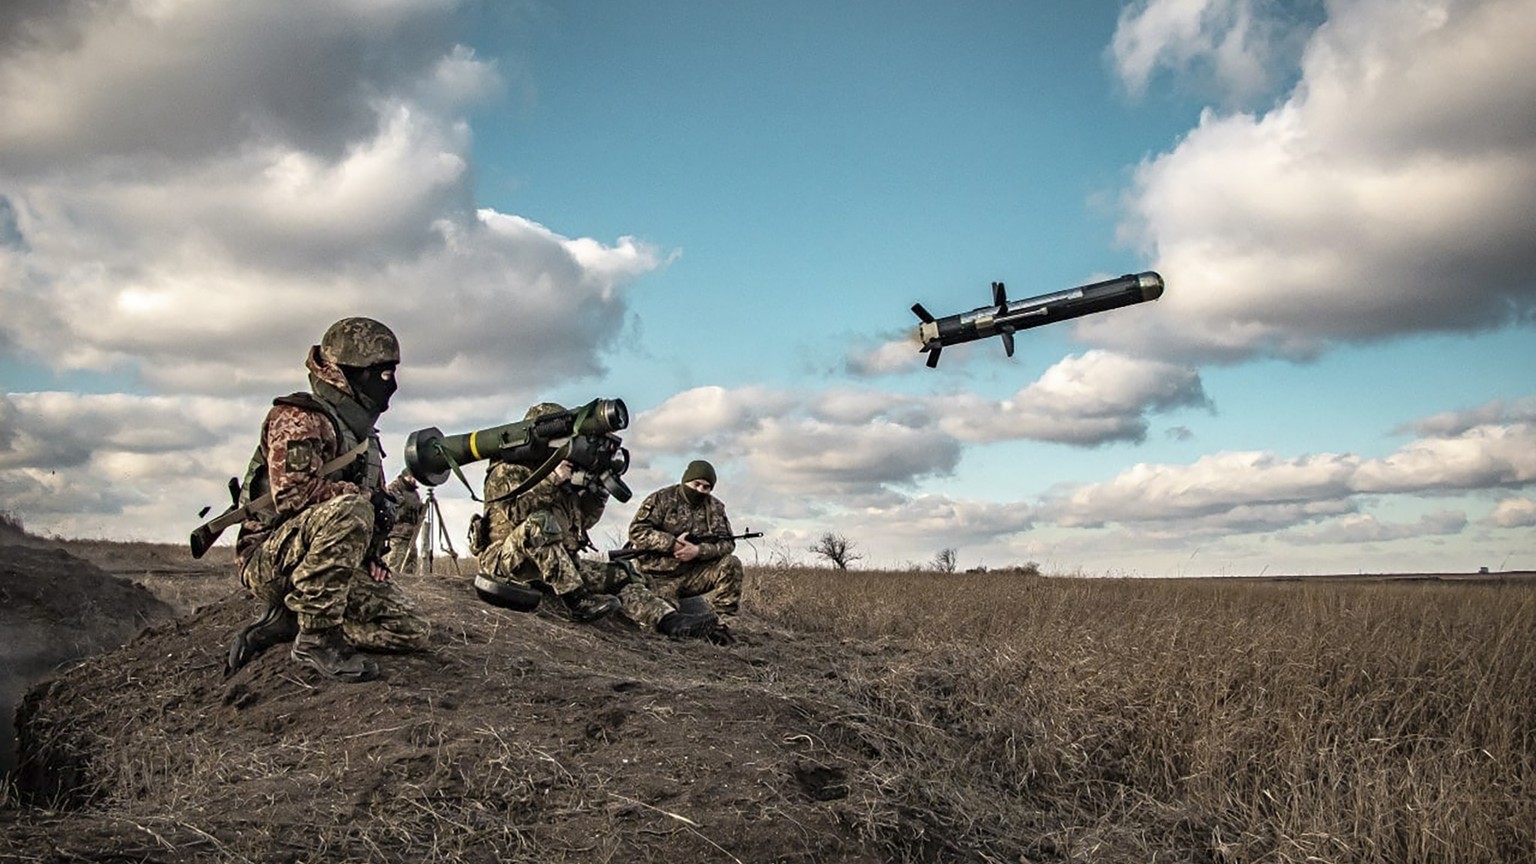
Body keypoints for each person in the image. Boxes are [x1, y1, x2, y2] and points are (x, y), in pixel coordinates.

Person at [224, 317, 430, 682]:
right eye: (382, 375)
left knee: (410, 629)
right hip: (271, 561)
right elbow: (294, 494)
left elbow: (368, 507)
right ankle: (316, 637)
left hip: (321, 560)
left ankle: (290, 621)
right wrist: (365, 500)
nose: (392, 385)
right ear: (350, 372)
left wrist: (371, 555)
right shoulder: (299, 418)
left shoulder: (366, 439)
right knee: (352, 509)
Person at [472, 402, 718, 639]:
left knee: (624, 574)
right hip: (507, 563)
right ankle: (578, 601)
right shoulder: (507, 469)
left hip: (558, 565)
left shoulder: (561, 468)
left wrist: (598, 493)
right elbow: (516, 514)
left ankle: (670, 622)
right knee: (539, 521)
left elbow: (583, 523)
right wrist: (552, 481)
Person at [625, 459, 744, 619]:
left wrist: (698, 551)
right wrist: (672, 544)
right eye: (696, 484)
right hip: (658, 576)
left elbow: (728, 543)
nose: (700, 490)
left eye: (706, 487)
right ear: (686, 481)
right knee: (664, 618)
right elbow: (637, 531)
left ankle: (723, 621)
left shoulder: (715, 507)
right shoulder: (661, 499)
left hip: (693, 575)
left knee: (731, 563)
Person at [383, 469, 425, 575]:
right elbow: (391, 507)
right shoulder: (394, 488)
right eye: (410, 477)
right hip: (398, 534)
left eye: (415, 478)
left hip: (411, 535)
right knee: (396, 565)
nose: (413, 480)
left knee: (411, 565)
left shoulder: (414, 493)